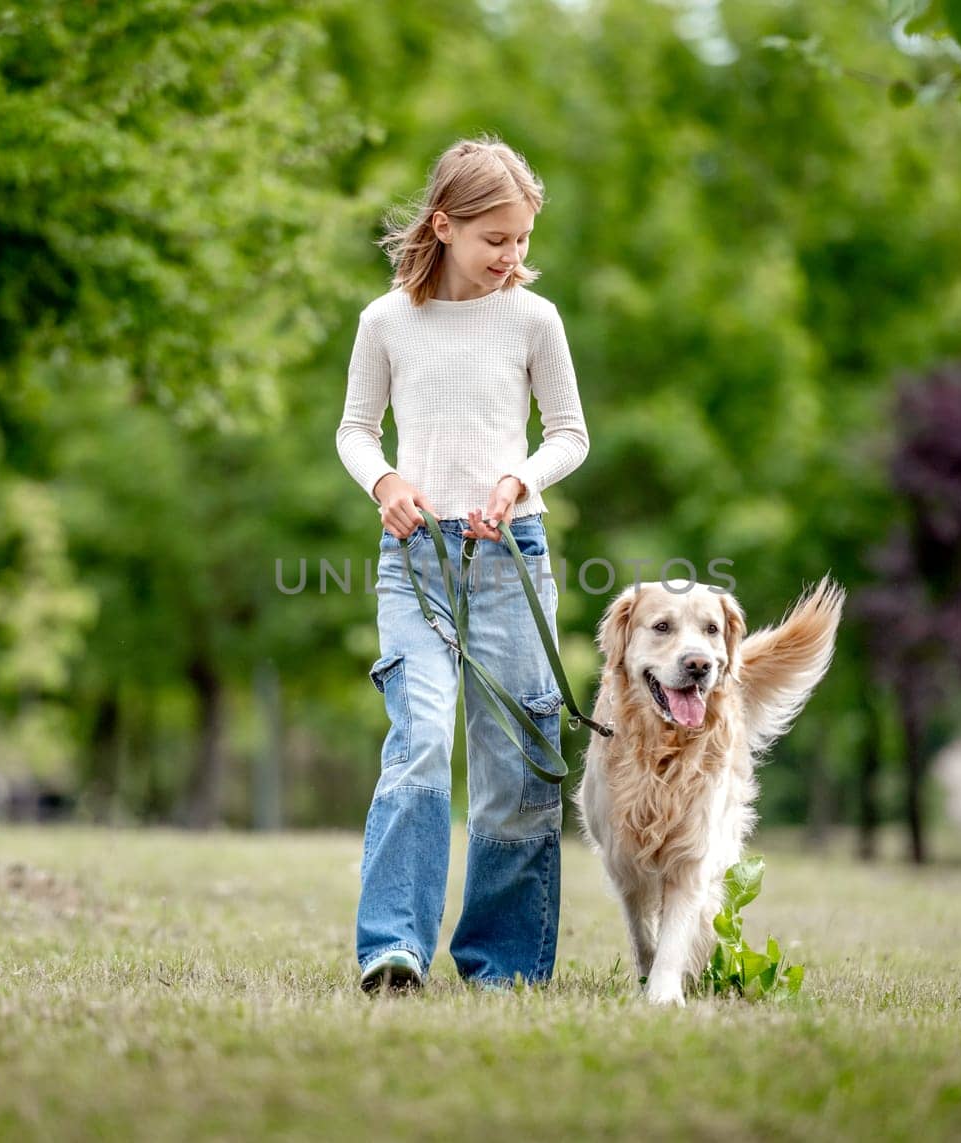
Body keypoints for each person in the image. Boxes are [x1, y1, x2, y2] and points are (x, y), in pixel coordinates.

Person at [336, 135, 590, 993]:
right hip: (414, 557)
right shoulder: (385, 322)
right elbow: (355, 430)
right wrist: (384, 482)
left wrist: (519, 479)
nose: (512, 258)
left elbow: (569, 435)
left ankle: (504, 964)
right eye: (496, 241)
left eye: (523, 240)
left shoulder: (532, 319)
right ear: (443, 225)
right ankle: (393, 948)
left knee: (516, 761)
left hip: (507, 554)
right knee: (419, 741)